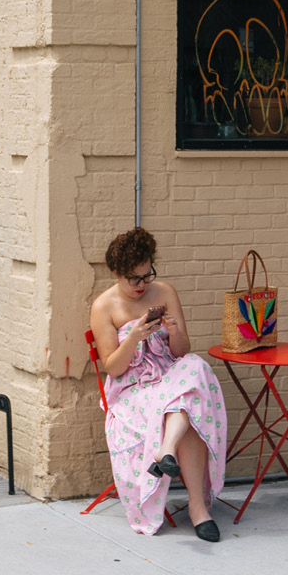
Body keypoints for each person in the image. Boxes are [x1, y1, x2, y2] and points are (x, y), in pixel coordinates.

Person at [90, 226, 227, 541]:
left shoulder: (165, 291)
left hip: (168, 375)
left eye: (146, 275)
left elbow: (181, 352)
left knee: (195, 366)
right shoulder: (104, 306)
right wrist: (135, 337)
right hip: (132, 388)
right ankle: (198, 509)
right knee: (188, 407)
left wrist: (175, 331)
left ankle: (165, 453)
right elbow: (112, 367)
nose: (141, 285)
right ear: (116, 272)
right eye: (133, 279)